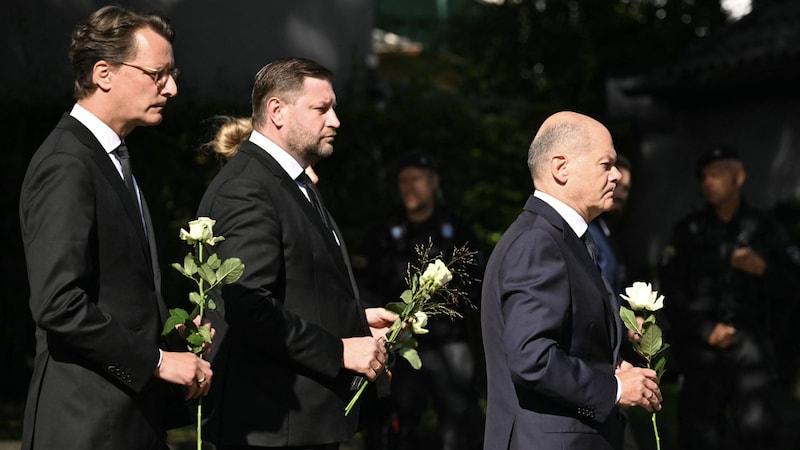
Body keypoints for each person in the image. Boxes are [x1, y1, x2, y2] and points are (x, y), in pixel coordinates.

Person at [18, 6, 212, 450]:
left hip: (124, 418)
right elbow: (58, 303)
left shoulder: (107, 156)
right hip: (87, 424)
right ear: (104, 72)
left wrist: (169, 331)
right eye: (158, 74)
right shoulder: (67, 162)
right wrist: (158, 360)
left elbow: (114, 289)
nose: (172, 88)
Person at [196, 57, 397, 450]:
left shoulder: (290, 181)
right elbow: (250, 308)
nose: (335, 120)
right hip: (272, 428)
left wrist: (354, 321)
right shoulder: (248, 189)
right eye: (321, 109)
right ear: (277, 111)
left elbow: (299, 283)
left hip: (301, 424)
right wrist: (339, 350)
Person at [481, 111, 662, 450]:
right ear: (561, 168)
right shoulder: (538, 243)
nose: (618, 175)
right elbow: (532, 358)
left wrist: (616, 356)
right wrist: (616, 389)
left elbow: (571, 340)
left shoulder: (562, 238)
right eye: (606, 165)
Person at [659, 145, 800, 450]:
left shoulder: (765, 229)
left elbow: (791, 286)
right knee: (699, 435)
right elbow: (671, 290)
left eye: (718, 174)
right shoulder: (688, 232)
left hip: (753, 346)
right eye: (704, 176)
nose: (709, 182)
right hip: (702, 349)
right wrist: (704, 330)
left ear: (739, 178)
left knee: (758, 431)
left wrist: (763, 269)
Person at [354, 151, 484, 450]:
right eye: (403, 181)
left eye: (416, 179)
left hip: (450, 342)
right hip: (401, 343)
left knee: (459, 420)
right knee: (398, 422)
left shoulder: (456, 229)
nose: (408, 187)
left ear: (434, 182)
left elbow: (475, 281)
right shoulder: (384, 232)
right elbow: (367, 285)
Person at [588, 155, 632, 298]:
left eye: (625, 189)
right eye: (617, 184)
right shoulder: (588, 233)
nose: (620, 194)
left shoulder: (610, 234)